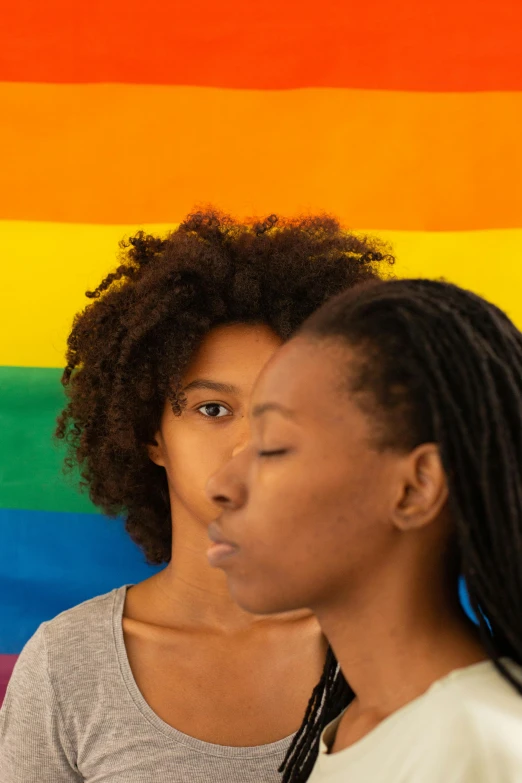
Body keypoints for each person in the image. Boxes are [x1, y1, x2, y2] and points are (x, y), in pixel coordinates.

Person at [0, 210, 393, 782]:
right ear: (151, 434)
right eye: (213, 410)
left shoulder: (400, 652)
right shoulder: (66, 666)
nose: (250, 446)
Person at [207, 277, 522, 783]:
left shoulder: (478, 748)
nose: (219, 485)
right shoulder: (355, 726)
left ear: (415, 488)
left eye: (273, 447)